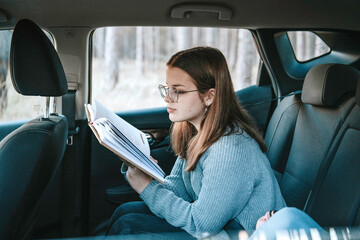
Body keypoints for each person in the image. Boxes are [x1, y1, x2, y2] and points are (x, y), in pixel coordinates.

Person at [106, 46, 286, 239]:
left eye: (178, 91)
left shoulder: (229, 148)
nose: (167, 98)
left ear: (209, 96)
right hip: (220, 228)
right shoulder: (194, 131)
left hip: (239, 234)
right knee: (125, 212)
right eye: (167, 89)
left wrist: (146, 187)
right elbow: (179, 190)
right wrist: (144, 171)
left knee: (128, 226)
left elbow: (201, 224)